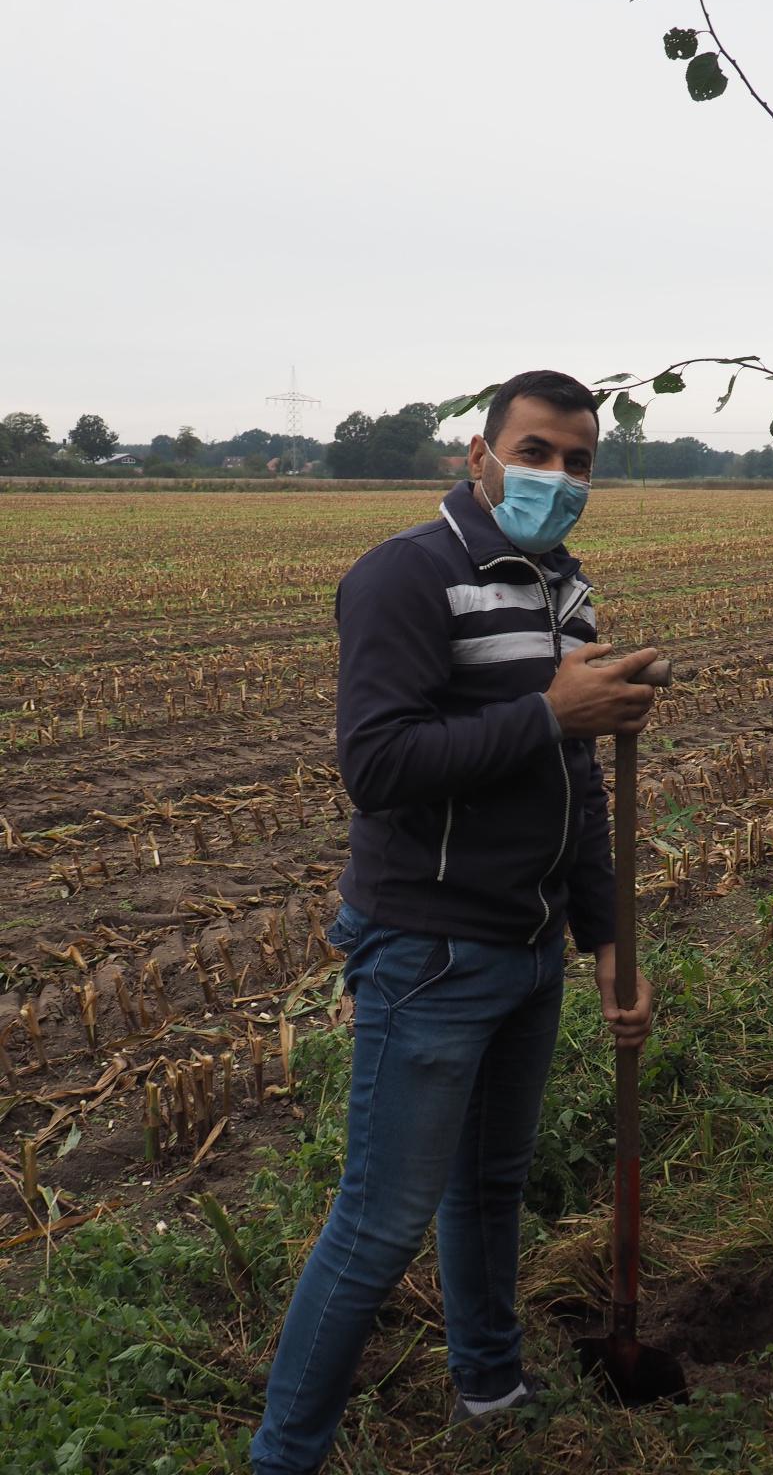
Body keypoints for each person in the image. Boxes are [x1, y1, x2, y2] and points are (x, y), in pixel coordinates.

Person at [251, 369, 660, 1475]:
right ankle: (285, 1456)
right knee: (380, 1224)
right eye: (536, 452)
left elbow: (577, 785)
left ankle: (491, 1385)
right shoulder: (403, 577)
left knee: (491, 1188)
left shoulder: (565, 590)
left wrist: (607, 941)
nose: (558, 477)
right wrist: (547, 712)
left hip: (528, 951)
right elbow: (377, 768)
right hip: (430, 951)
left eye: (579, 461)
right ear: (476, 456)